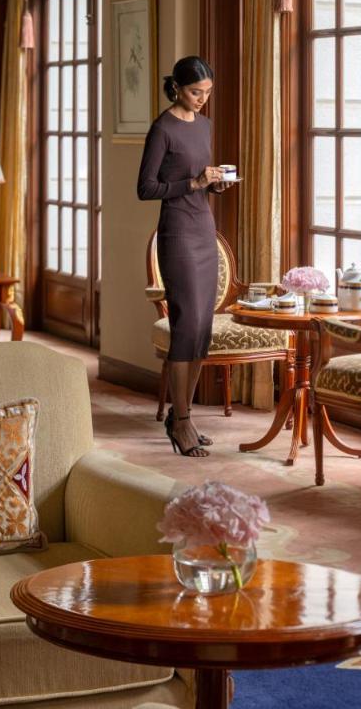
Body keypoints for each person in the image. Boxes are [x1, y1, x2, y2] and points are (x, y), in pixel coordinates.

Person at [137, 55, 234, 457]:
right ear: (177, 87)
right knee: (186, 324)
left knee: (202, 330)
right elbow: (145, 188)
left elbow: (198, 180)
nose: (202, 100)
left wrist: (213, 185)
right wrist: (192, 182)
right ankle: (181, 423)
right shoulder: (162, 129)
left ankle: (183, 414)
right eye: (196, 92)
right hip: (176, 234)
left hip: (202, 230)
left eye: (208, 93)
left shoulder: (205, 125)